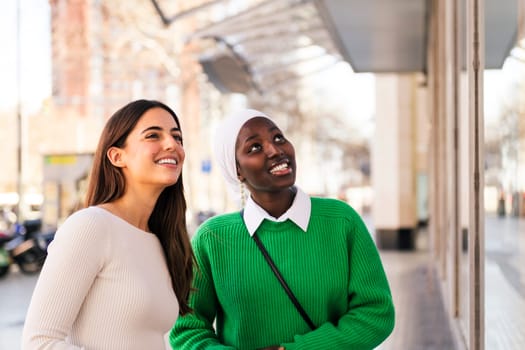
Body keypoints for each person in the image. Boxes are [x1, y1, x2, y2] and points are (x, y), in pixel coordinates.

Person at [169, 109, 395, 349]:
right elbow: (187, 331)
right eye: (255, 147)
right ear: (237, 170)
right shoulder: (212, 238)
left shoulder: (342, 221)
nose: (275, 150)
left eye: (278, 138)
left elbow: (376, 312)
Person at [22, 99, 194, 350]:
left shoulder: (161, 240)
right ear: (116, 156)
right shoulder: (91, 227)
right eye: (153, 135)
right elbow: (38, 343)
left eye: (177, 137)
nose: (171, 144)